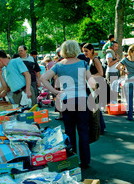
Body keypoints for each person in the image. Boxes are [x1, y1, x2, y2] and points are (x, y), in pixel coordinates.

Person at [40, 40, 97, 169]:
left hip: (66, 100)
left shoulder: (58, 65)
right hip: (82, 99)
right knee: (83, 131)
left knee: (69, 130)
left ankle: (72, 158)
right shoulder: (83, 63)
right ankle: (85, 161)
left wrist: (55, 91)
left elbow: (43, 78)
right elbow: (92, 83)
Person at [83, 43, 106, 133]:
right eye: (84, 51)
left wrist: (89, 76)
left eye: (86, 51)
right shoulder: (90, 60)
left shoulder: (95, 59)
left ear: (91, 50)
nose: (85, 53)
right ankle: (100, 126)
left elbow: (101, 73)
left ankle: (100, 127)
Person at [116, 45, 134, 121]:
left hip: (128, 80)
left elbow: (117, 66)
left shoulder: (125, 60)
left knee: (129, 99)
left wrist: (124, 71)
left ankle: (130, 116)